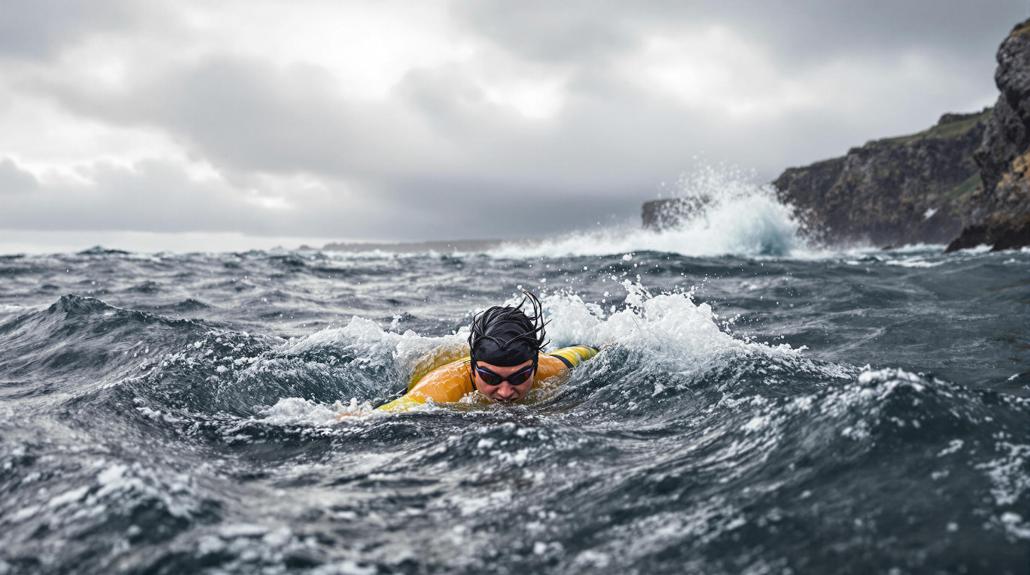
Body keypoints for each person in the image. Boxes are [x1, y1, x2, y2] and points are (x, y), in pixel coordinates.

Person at [375, 291, 597, 412]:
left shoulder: (550, 367)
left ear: (535, 366)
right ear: (473, 370)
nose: (505, 392)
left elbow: (586, 351)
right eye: (491, 377)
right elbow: (377, 416)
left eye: (519, 377)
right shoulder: (439, 391)